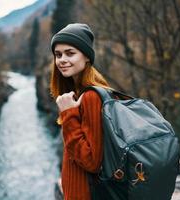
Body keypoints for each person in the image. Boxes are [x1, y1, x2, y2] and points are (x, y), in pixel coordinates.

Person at [50, 23, 110, 200]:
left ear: (87, 57)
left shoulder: (91, 96)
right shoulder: (77, 93)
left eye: (70, 53)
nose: (61, 60)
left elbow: (91, 161)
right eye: (58, 54)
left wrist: (68, 114)